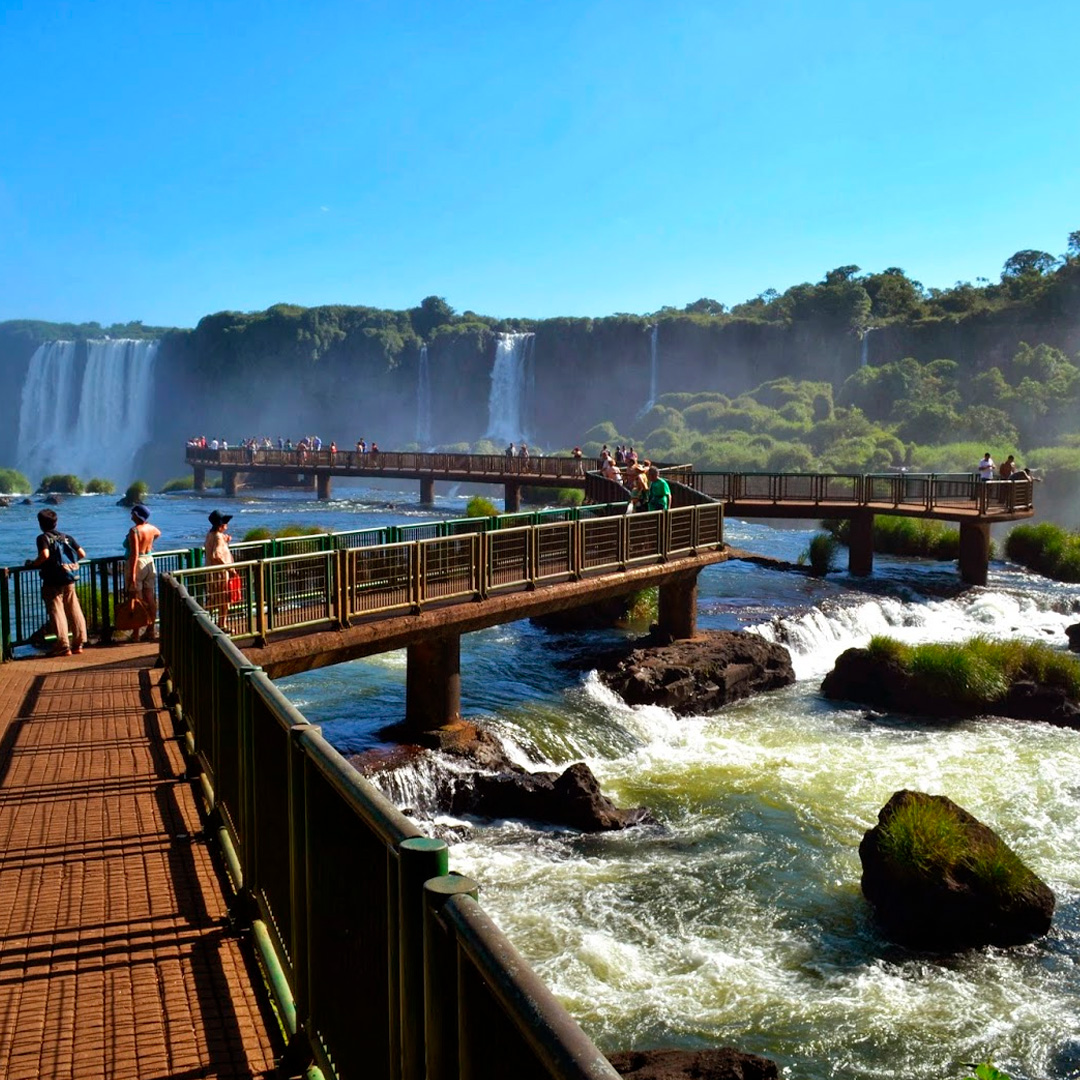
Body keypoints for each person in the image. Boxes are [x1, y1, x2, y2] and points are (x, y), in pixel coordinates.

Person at [27, 508, 87, 656]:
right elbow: (82, 553)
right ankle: (79, 643)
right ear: (56, 522)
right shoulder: (66, 537)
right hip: (68, 578)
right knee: (74, 609)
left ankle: (63, 646)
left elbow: (45, 554)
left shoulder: (43, 538)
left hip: (52, 580)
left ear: (41, 523)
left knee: (57, 612)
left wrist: (34, 564)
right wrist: (70, 566)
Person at [127, 504, 161, 642]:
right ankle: (151, 630)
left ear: (137, 515)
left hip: (139, 562)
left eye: (132, 513)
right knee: (150, 597)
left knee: (137, 598)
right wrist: (150, 544)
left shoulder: (134, 531)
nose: (131, 515)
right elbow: (158, 533)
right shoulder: (152, 528)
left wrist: (133, 574)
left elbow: (134, 553)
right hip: (149, 560)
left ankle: (136, 634)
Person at [204, 510, 235, 629]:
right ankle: (222, 624)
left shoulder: (210, 534)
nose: (227, 525)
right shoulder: (218, 537)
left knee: (213, 598)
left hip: (211, 571)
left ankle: (206, 621)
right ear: (221, 525)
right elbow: (216, 555)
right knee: (224, 599)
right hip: (220, 573)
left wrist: (225, 541)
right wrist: (229, 569)